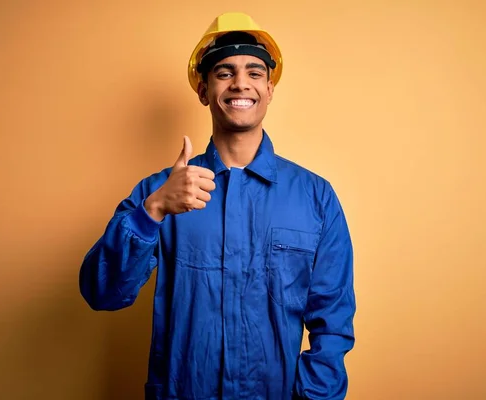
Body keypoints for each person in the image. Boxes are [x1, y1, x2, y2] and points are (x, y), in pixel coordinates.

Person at [79, 12, 356, 400]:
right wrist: (153, 211)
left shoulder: (315, 197)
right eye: (224, 72)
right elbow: (102, 292)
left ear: (270, 88)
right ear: (204, 90)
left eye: (255, 72)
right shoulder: (159, 191)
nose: (241, 82)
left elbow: (334, 321)